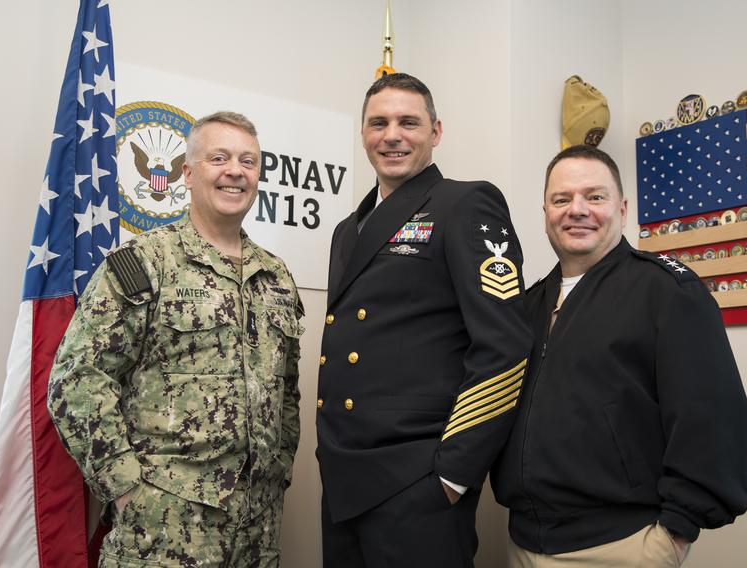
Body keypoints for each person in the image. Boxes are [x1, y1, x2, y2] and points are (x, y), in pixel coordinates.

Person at [48, 111, 304, 567]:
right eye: (218, 158)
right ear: (187, 173)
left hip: (257, 537)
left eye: (248, 161)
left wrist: (278, 473)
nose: (235, 171)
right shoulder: (144, 262)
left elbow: (286, 393)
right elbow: (77, 381)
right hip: (162, 536)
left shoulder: (277, 276)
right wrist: (126, 488)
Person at [491, 145, 747, 567]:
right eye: (561, 199)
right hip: (523, 542)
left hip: (621, 546)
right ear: (545, 213)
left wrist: (674, 535)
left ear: (623, 208)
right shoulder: (527, 305)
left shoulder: (666, 291)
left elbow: (713, 420)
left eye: (594, 197)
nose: (577, 210)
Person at [316, 73, 532, 567]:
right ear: (364, 134)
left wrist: (454, 475)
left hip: (416, 478)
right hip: (345, 477)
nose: (392, 135)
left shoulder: (465, 203)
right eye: (379, 123)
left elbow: (504, 345)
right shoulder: (346, 231)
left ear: (435, 132)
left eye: (408, 122)